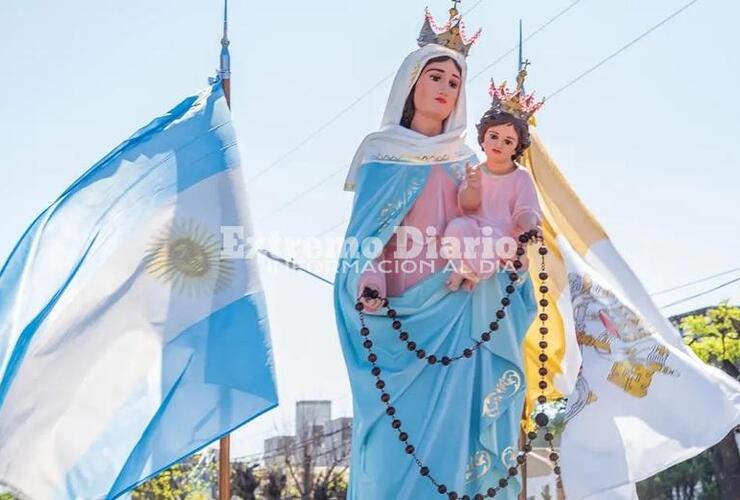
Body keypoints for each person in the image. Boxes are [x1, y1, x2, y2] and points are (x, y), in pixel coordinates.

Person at [333, 6, 538, 498]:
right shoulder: (381, 156)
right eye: (436, 76)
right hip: (398, 324)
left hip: (458, 318)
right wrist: (371, 281)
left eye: (455, 81)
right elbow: (365, 240)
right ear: (411, 84)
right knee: (388, 460)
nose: (446, 87)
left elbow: (488, 224)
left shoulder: (466, 163)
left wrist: (494, 259)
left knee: (456, 458)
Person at [442, 78, 545, 291]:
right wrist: (472, 187)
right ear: (483, 138)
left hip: (503, 234)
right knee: (456, 227)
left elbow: (525, 211)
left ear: (517, 147)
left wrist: (531, 228)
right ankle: (467, 269)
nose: (499, 144)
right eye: (494, 136)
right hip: (474, 227)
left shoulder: (521, 177)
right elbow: (467, 207)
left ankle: (469, 273)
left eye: (508, 141)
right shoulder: (476, 171)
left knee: (494, 242)